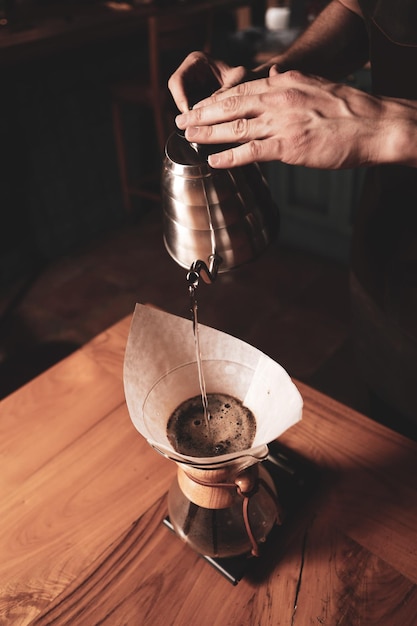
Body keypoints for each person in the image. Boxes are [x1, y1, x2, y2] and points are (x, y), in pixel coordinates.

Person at [168, 0, 417, 436]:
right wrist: (272, 86)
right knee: (390, 444)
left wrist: (395, 126)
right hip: (390, 251)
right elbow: (362, 9)